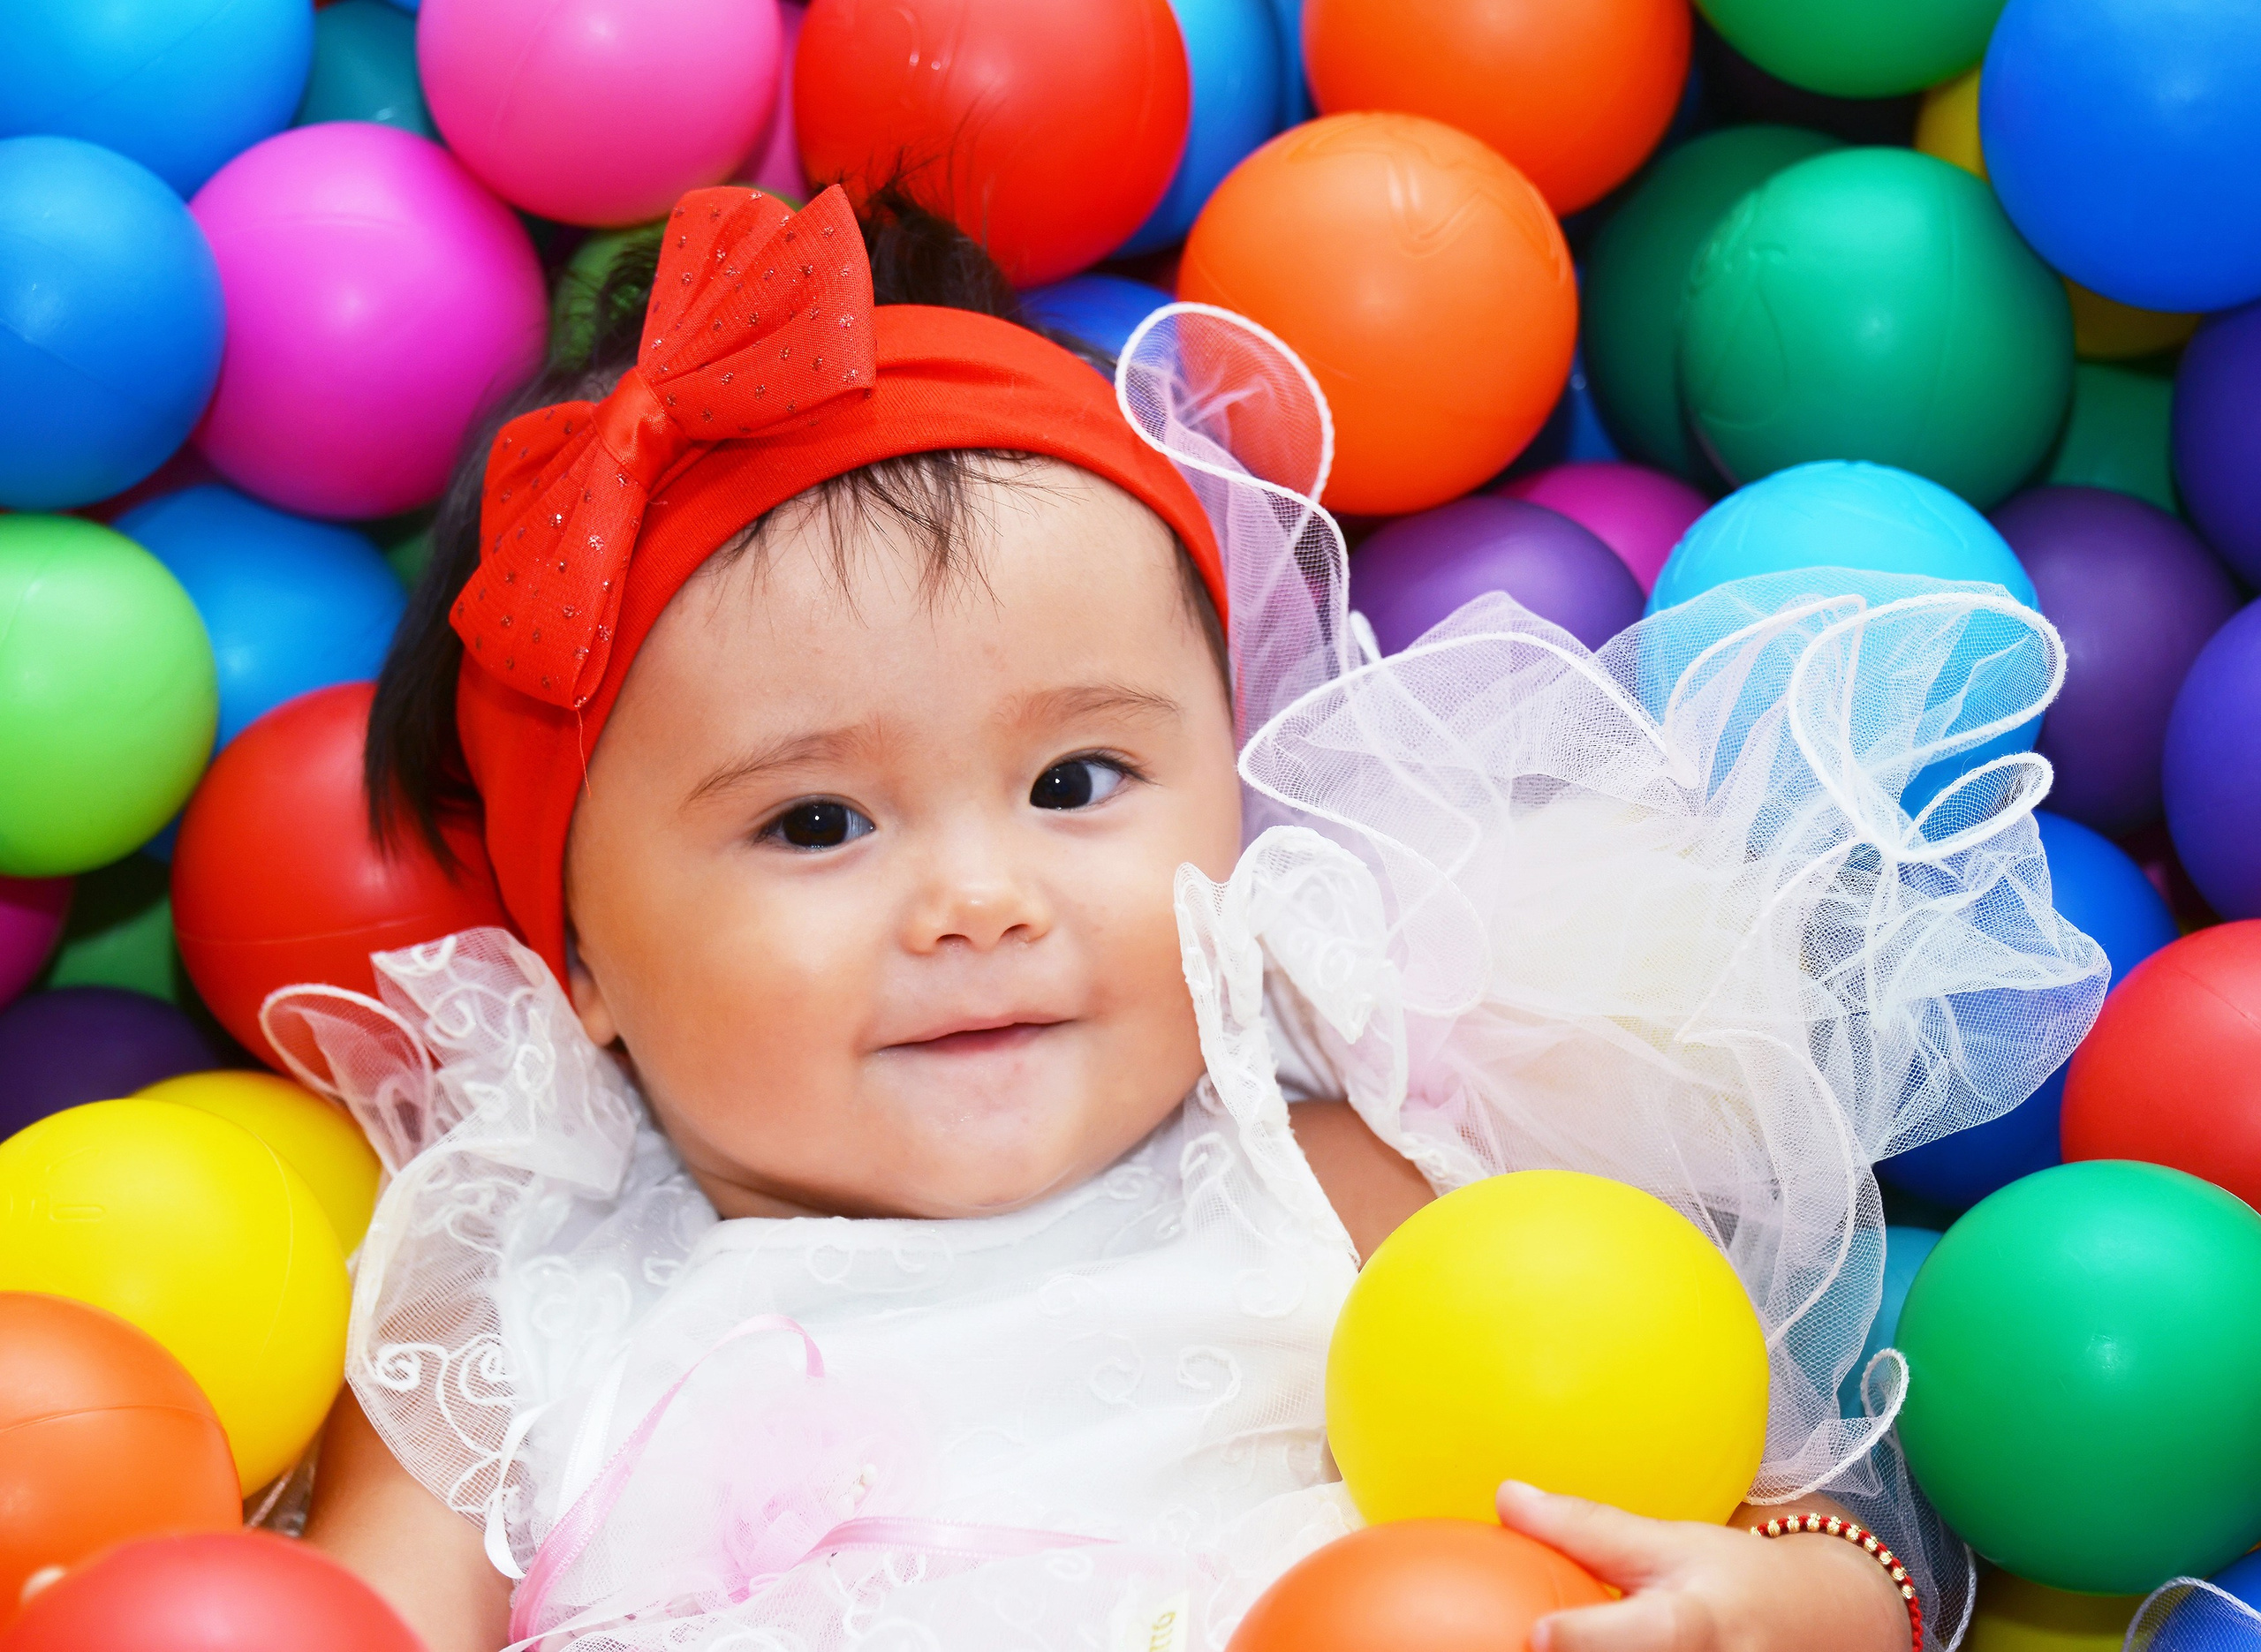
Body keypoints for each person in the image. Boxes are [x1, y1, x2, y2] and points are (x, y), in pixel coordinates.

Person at [285, 182, 2103, 1652]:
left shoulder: (1334, 1183)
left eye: (1075, 784)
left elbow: (1804, 1502)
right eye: (818, 820)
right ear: (582, 962)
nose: (980, 899)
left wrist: (1780, 1604)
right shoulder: (515, 1315)